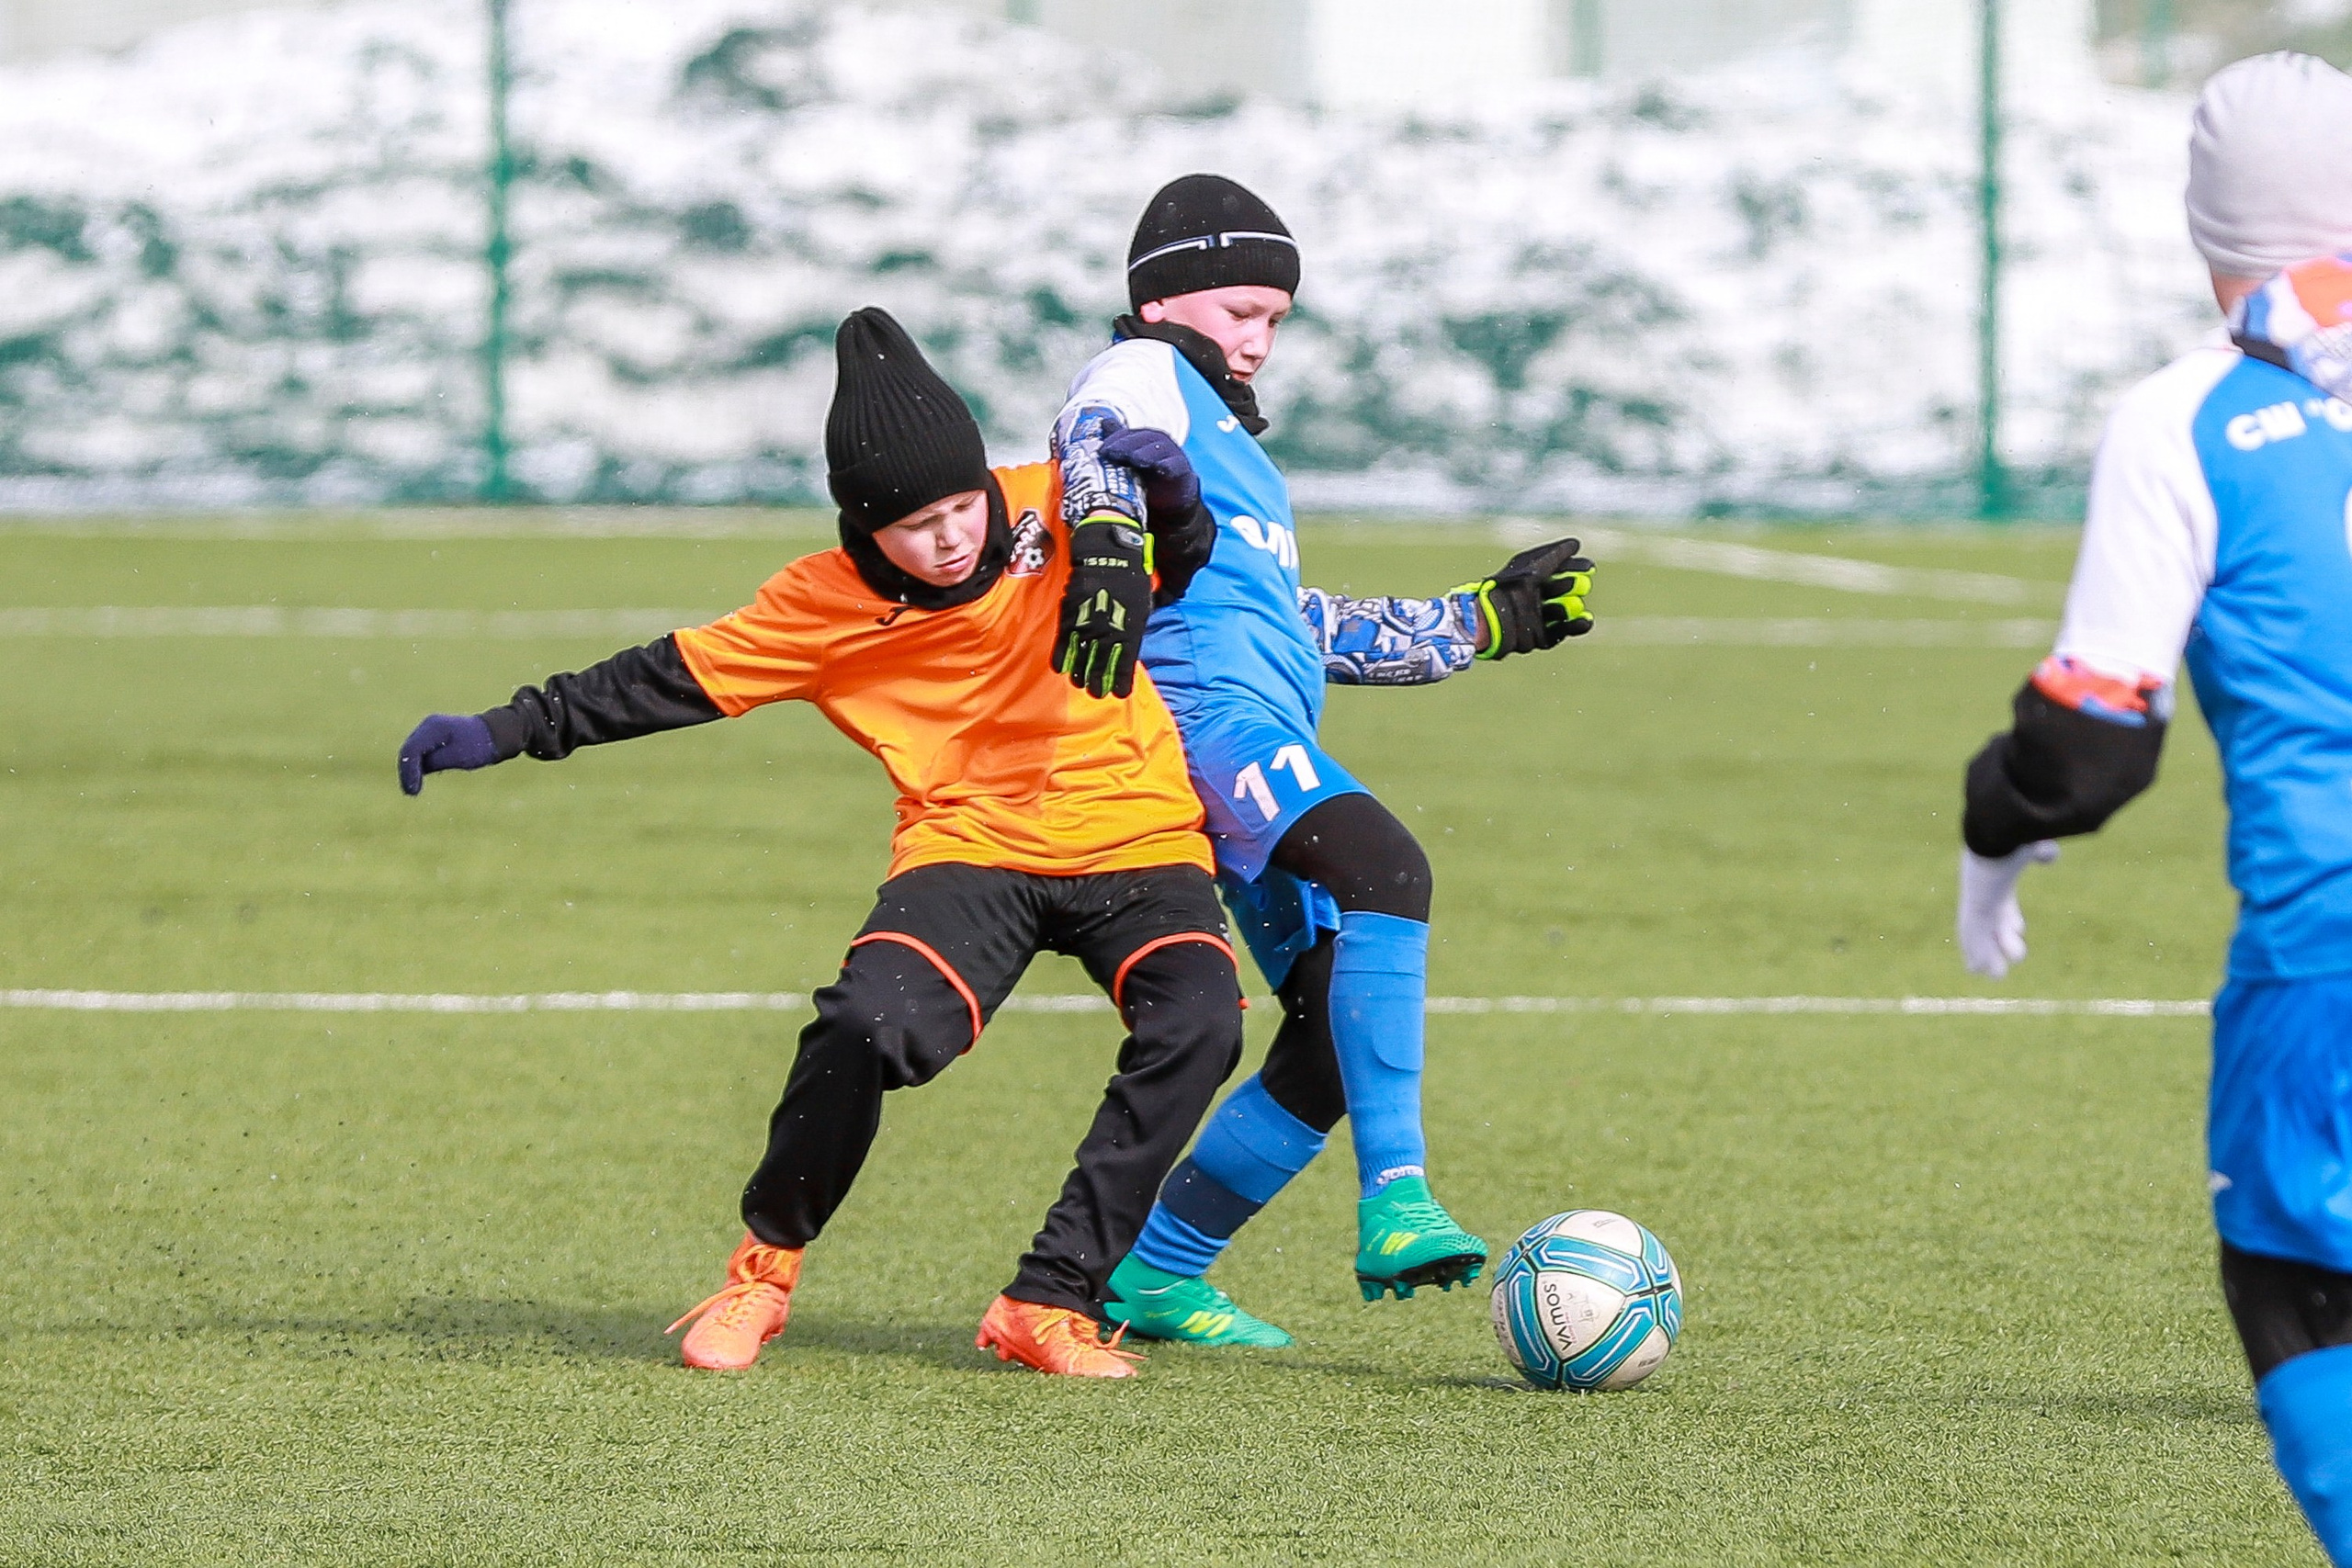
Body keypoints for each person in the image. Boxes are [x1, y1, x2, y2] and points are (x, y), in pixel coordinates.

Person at [394, 308, 1236, 1380]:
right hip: (969, 848)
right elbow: (659, 681)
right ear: (862, 529)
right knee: (864, 1023)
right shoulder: (818, 606)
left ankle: (1049, 1298)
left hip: (1138, 838)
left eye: (960, 506)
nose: (949, 536)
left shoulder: (1048, 504)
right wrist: (502, 730)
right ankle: (761, 1274)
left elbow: (1170, 565)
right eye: (915, 523)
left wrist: (1173, 499)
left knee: (1201, 1024)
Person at [1056, 174, 1598, 1347]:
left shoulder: (1240, 461)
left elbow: (1290, 623)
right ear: (1163, 299)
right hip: (1204, 731)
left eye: (1275, 321)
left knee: (1322, 1035)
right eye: (1241, 311)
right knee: (1388, 868)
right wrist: (1101, 536)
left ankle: (1154, 1275)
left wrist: (1479, 623)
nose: (1258, 341)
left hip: (1265, 730)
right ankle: (1397, 1196)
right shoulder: (1142, 375)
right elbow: (1090, 442)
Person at [1954, 53, 2352, 1562]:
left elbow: (2092, 746)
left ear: (2210, 239)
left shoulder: (2196, 415)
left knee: (2302, 1288)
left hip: (2330, 939)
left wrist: (1996, 825)